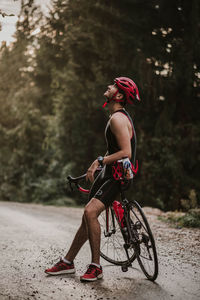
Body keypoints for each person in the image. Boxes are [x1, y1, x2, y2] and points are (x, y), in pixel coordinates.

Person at [45, 77, 141, 281]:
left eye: (114, 86)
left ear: (120, 95)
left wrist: (100, 160)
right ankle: (68, 262)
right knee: (86, 217)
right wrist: (97, 164)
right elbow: (114, 148)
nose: (109, 86)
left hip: (118, 177)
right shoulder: (116, 116)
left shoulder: (117, 119)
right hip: (110, 173)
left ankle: (95, 267)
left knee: (90, 212)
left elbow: (126, 152)